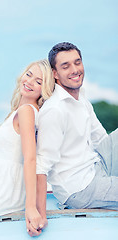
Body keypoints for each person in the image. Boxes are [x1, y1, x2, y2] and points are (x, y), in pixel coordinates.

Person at [0, 59, 55, 237]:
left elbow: (31, 159)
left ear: (44, 90)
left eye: (38, 81)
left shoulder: (27, 111)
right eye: (29, 74)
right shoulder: (24, 110)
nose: (29, 82)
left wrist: (31, 209)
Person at [36, 42, 118, 228]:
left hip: (97, 166)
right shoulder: (55, 110)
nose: (75, 70)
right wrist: (39, 213)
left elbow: (101, 139)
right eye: (66, 66)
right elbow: (41, 165)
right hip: (80, 189)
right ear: (55, 74)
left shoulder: (81, 99)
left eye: (77, 62)